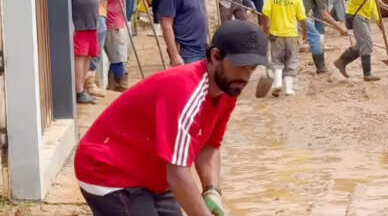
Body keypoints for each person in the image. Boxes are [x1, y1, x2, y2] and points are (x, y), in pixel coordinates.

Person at [74, 20, 268, 216]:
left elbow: (209, 146)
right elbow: (178, 172)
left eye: (252, 68)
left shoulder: (227, 92)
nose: (246, 76)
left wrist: (212, 190)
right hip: (108, 169)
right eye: (240, 65)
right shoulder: (186, 91)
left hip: (154, 171)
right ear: (216, 56)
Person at [333, 0, 384, 82]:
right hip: (356, 14)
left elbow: (372, 0)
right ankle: (367, 74)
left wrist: (378, 19)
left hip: (366, 15)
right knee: (366, 43)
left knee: (362, 43)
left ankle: (342, 61)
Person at [85, 0, 122, 98]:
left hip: (98, 12)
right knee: (95, 50)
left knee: (93, 49)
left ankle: (90, 83)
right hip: (98, 12)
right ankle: (90, 84)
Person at [262, 0, 307, 96]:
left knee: (276, 59)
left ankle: (277, 83)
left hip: (276, 33)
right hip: (292, 34)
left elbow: (265, 14)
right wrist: (304, 33)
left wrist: (266, 28)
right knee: (291, 60)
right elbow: (302, 18)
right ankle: (288, 89)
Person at [102, 0, 141, 92]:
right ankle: (120, 89)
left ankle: (113, 89)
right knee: (118, 59)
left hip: (114, 21)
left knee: (118, 57)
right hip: (114, 23)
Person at [293, 0, 348, 75]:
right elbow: (325, 15)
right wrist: (341, 29)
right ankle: (321, 67)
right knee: (315, 37)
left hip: (288, 13)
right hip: (296, 15)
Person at [69, 0, 101, 104]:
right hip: (80, 25)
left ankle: (82, 89)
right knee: (80, 58)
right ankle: (78, 91)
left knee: (88, 57)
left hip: (91, 24)